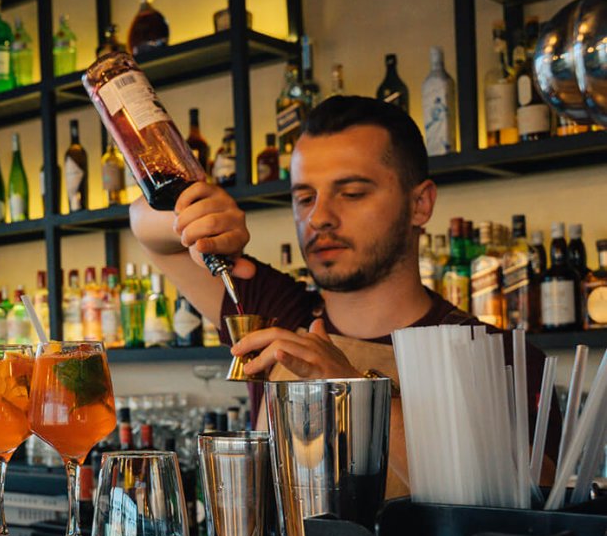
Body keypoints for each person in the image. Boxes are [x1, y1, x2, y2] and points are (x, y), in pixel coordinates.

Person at [128, 95, 560, 493]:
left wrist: (352, 391)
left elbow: (527, 507)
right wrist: (199, 218)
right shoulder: (274, 311)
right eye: (304, 198)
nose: (320, 217)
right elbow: (146, 227)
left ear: (420, 204)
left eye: (351, 193)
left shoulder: (498, 355)